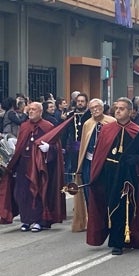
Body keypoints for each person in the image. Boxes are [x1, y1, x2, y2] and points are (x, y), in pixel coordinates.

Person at [87, 97, 139, 255]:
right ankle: (114, 236)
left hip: (127, 175)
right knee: (110, 205)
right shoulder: (107, 129)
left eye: (122, 108)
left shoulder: (137, 131)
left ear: (131, 112)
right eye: (116, 108)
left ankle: (119, 241)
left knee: (124, 205)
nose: (117, 111)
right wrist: (97, 173)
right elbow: (100, 154)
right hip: (110, 173)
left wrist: (136, 160)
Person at [0, 102, 66, 231]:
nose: (30, 112)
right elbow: (19, 146)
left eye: (34, 110)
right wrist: (13, 165)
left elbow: (56, 147)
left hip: (39, 167)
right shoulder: (24, 126)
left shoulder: (48, 126)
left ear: (40, 112)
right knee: (21, 193)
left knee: (38, 193)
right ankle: (26, 220)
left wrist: (49, 149)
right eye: (29, 109)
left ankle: (39, 220)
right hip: (23, 166)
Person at [71, 98, 116, 232]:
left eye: (97, 107)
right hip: (89, 163)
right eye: (92, 108)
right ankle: (94, 221)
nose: (95, 110)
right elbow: (84, 146)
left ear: (103, 108)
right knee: (89, 192)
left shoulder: (112, 122)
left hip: (106, 163)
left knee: (106, 191)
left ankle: (108, 220)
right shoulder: (87, 124)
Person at [64, 93, 90, 183]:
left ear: (86, 103)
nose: (80, 103)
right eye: (78, 101)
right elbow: (65, 131)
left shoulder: (90, 115)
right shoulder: (70, 115)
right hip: (74, 146)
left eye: (82, 101)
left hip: (87, 147)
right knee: (74, 168)